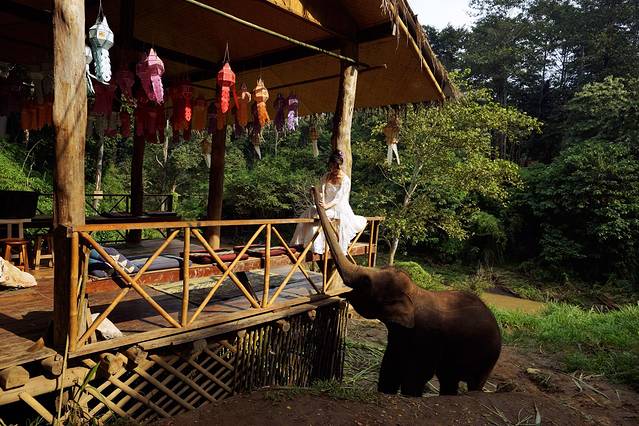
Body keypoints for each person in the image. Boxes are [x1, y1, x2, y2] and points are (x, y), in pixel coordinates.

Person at [290, 150, 366, 254]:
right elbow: (321, 190)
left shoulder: (345, 180)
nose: (332, 169)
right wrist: (315, 193)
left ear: (339, 166)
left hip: (338, 207)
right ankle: (301, 242)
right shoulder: (326, 176)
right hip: (324, 204)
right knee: (309, 212)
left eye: (335, 167)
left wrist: (326, 206)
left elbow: (338, 198)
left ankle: (317, 246)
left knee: (321, 215)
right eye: (331, 166)